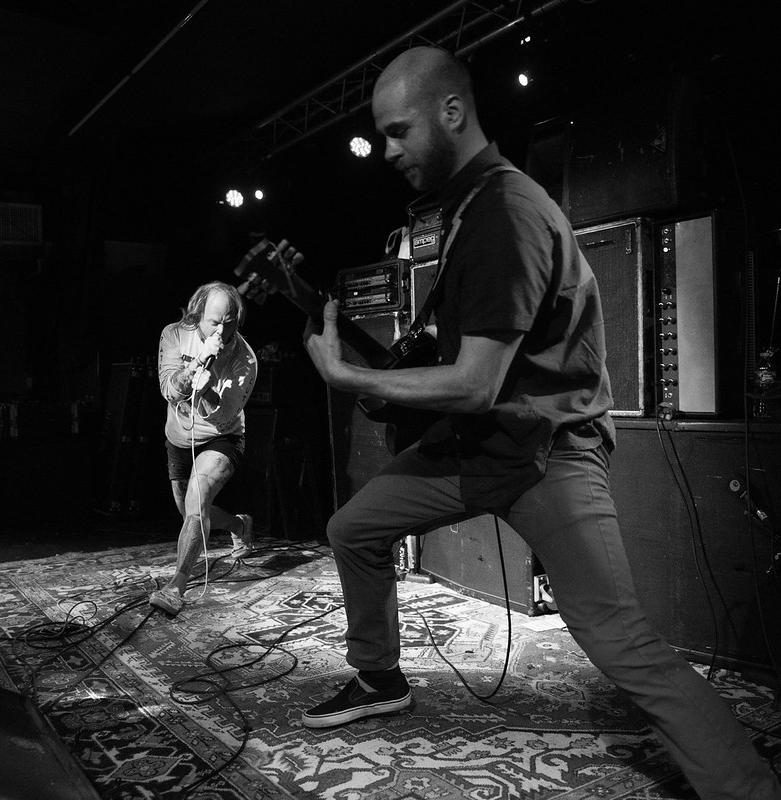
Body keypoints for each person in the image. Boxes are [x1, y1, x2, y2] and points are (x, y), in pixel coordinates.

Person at [300, 46, 780, 799]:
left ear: (451, 112)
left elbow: (475, 382)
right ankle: (380, 678)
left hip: (547, 456)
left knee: (618, 639)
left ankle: (749, 788)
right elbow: (467, 359)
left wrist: (347, 375)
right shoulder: (468, 211)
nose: (387, 151)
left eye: (398, 131)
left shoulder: (506, 213)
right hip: (481, 446)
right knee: (353, 528)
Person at [150, 281, 258, 616]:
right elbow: (169, 390)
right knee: (190, 512)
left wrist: (209, 390)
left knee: (198, 499)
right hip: (179, 438)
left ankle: (176, 587)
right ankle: (239, 526)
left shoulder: (245, 359)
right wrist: (199, 361)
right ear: (197, 314)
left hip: (221, 437)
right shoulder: (174, 334)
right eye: (214, 322)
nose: (222, 332)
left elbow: (225, 417)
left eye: (230, 324)